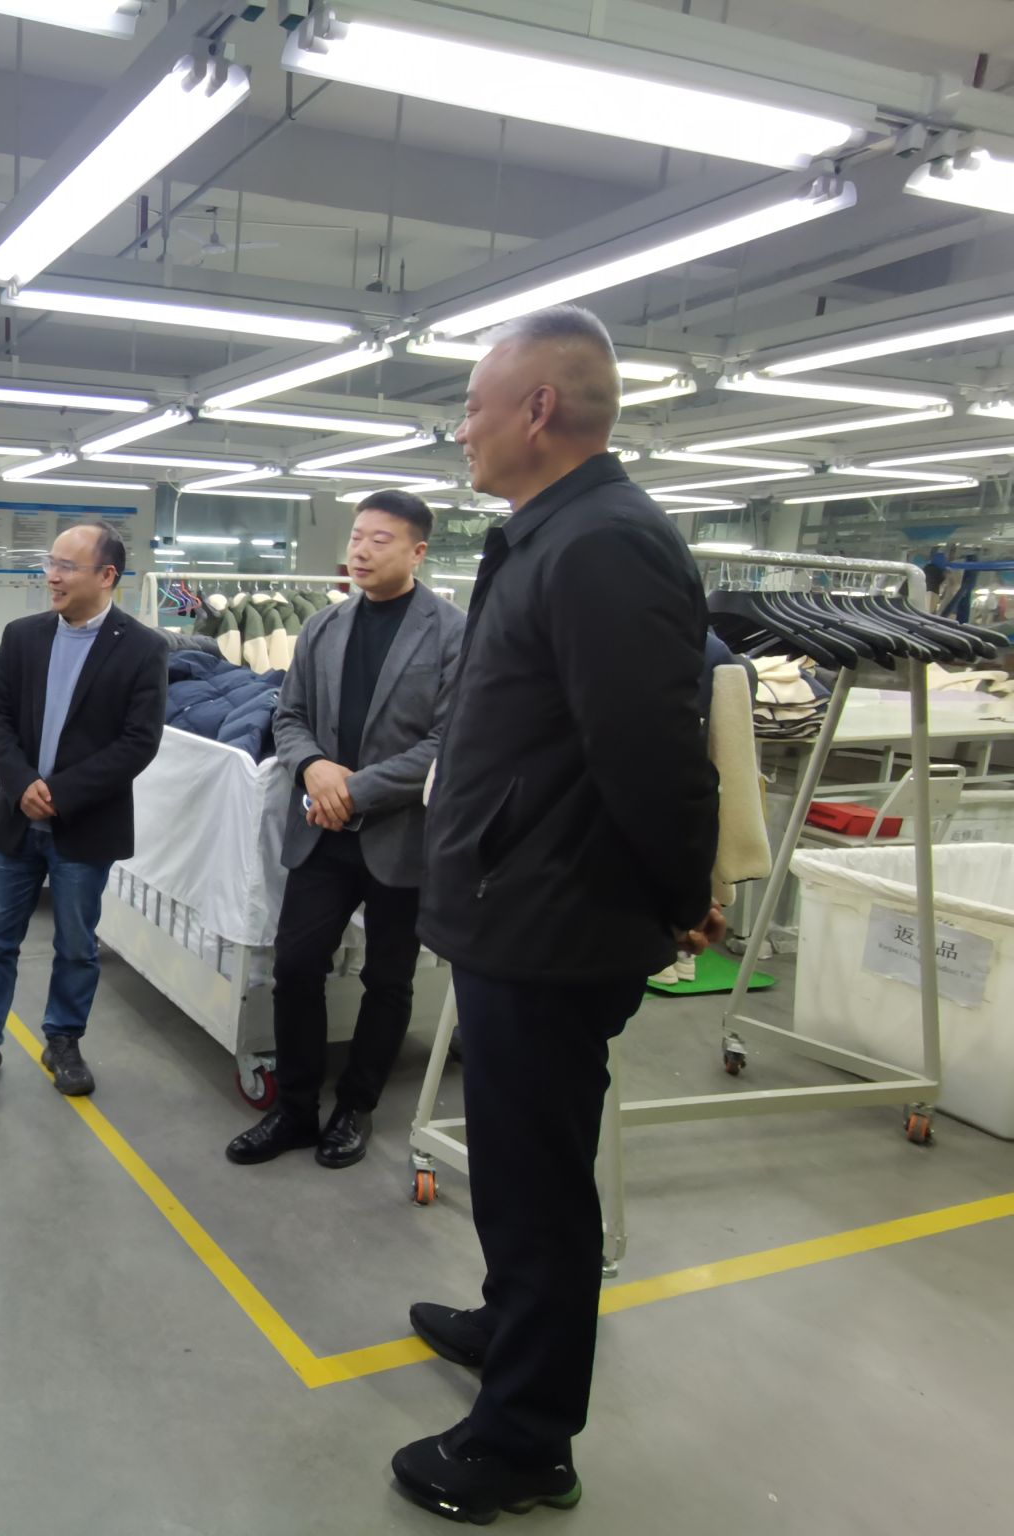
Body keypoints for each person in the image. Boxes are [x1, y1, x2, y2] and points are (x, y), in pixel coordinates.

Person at [392, 307, 720, 1524]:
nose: (460, 429)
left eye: (473, 405)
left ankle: (525, 1441)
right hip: (516, 907)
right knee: (515, 1163)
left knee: (538, 1185)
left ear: (538, 409)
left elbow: (652, 754)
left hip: (555, 919)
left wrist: (681, 894)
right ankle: (509, 1325)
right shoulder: (548, 536)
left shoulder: (602, 544)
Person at [225, 490, 463, 1168]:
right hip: (322, 832)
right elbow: (289, 715)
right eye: (357, 537)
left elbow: (448, 741)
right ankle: (295, 1109)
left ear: (417, 552)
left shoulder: (452, 632)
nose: (360, 550)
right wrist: (313, 768)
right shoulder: (325, 627)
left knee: (388, 980)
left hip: (400, 835)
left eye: (379, 540)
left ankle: (356, 1106)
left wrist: (353, 790)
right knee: (297, 967)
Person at [0, 523, 166, 1100]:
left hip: (85, 826)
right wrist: (22, 784)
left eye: (66, 566)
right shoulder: (24, 636)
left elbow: (139, 742)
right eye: (50, 563)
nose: (52, 577)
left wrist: (59, 792)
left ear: (106, 576)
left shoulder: (142, 648)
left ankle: (63, 1039)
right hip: (18, 820)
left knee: (77, 944)